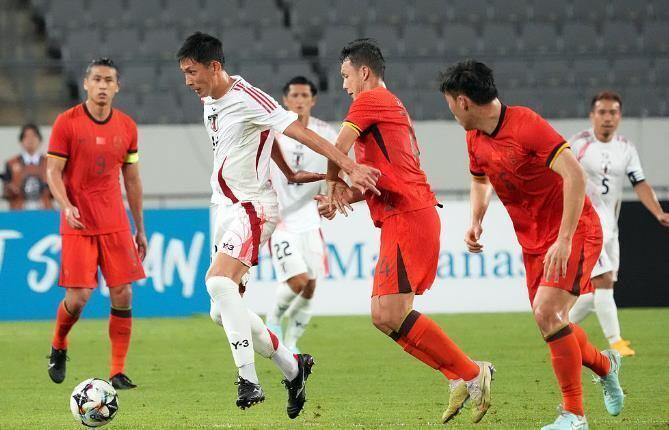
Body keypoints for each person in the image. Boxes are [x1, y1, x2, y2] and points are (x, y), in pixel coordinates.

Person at [176, 32, 380, 418]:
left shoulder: (247, 97)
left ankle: (248, 379)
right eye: (184, 73)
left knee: (218, 284)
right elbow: (260, 134)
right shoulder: (209, 99)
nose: (187, 81)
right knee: (222, 311)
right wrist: (289, 171)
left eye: (192, 71)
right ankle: (293, 367)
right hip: (225, 208)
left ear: (214, 67)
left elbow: (299, 132)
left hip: (252, 207)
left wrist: (349, 166)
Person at [439, 60, 625, 430]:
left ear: (463, 101)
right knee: (551, 322)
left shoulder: (526, 125)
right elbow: (480, 179)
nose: (451, 113)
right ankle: (606, 365)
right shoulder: (474, 136)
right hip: (533, 242)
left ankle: (574, 416)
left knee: (547, 313)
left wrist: (565, 239)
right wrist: (476, 218)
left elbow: (575, 174)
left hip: (574, 231)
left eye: (449, 104)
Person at [321, 39, 494, 425]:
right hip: (405, 215)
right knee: (383, 315)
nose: (344, 85)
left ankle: (471, 372)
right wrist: (344, 194)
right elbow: (381, 177)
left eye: (346, 76)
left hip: (409, 216)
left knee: (391, 311)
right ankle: (460, 375)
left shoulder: (369, 101)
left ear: (364, 72)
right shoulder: (391, 106)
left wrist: (331, 185)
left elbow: (337, 148)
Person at [46, 58, 147, 390]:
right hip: (78, 221)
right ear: (86, 84)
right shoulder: (67, 123)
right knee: (78, 298)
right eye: (97, 79)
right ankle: (59, 343)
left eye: (109, 80)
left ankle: (117, 371)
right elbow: (52, 172)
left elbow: (132, 180)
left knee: (123, 292)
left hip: (114, 221)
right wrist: (66, 206)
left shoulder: (127, 127)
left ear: (117, 87)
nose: (103, 85)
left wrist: (140, 228)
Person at [568, 91, 669, 357]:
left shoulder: (626, 148)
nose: (607, 117)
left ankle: (558, 325)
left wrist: (658, 212)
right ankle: (616, 342)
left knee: (599, 289)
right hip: (586, 223)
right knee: (603, 282)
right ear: (592, 115)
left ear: (620, 117)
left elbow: (639, 182)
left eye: (613, 112)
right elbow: (560, 176)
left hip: (611, 225)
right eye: (602, 112)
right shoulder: (578, 144)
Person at [265, 76, 337, 353]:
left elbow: (336, 167)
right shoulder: (273, 131)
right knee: (298, 281)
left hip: (310, 219)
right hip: (281, 220)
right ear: (285, 100)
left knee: (310, 287)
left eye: (304, 95)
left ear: (313, 100)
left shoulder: (325, 133)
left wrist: (331, 196)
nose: (299, 100)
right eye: (294, 95)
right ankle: (273, 319)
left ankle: (292, 343)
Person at [2, 123, 52, 210]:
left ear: (40, 140)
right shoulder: (11, 164)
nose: (30, 140)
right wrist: (10, 189)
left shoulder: (49, 163)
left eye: (34, 136)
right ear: (21, 141)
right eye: (26, 137)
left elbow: (58, 191)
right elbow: (6, 192)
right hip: (19, 211)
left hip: (45, 211)